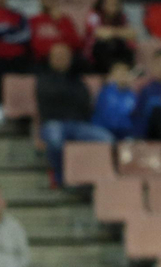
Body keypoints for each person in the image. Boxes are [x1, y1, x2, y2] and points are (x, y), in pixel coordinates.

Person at [36, 42, 113, 185]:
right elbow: (50, 99)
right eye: (58, 56)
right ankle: (59, 176)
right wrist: (69, 98)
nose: (62, 60)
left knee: (105, 138)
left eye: (65, 56)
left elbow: (85, 101)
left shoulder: (76, 78)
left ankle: (90, 180)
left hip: (78, 124)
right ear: (50, 59)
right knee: (55, 140)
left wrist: (66, 98)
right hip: (54, 123)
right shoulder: (43, 78)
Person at [84, 0, 138, 75]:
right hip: (96, 55)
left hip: (116, 49)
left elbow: (132, 33)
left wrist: (111, 32)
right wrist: (120, 32)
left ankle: (125, 72)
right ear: (102, 2)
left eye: (115, 2)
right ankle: (116, 72)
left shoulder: (122, 17)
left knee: (124, 47)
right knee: (104, 45)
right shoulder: (94, 15)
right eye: (109, 1)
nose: (112, 4)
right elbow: (99, 33)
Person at [28, 0, 84, 65]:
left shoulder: (65, 20)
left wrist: (59, 22)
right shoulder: (34, 21)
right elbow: (33, 45)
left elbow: (76, 43)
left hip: (65, 59)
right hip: (43, 60)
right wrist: (52, 51)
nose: (49, 0)